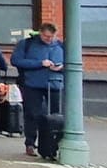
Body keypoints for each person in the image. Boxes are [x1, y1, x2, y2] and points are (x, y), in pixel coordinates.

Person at [11, 23, 66, 158]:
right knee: (32, 114)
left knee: (56, 116)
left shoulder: (60, 45)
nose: (49, 39)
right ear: (40, 33)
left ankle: (53, 145)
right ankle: (30, 143)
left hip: (54, 84)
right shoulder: (27, 44)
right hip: (32, 84)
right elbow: (16, 61)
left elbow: (73, 62)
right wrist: (40, 63)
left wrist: (61, 67)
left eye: (52, 37)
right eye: (46, 37)